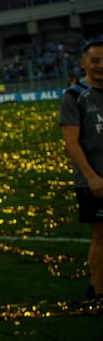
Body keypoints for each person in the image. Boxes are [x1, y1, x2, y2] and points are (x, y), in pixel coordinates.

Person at [59, 38, 103, 301]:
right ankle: (98, 292)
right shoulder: (74, 96)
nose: (100, 66)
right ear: (83, 63)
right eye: (95, 60)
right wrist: (91, 177)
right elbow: (71, 143)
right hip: (94, 180)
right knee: (101, 236)